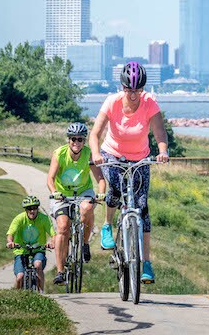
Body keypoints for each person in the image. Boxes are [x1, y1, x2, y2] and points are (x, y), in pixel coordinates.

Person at [90, 61, 169, 284]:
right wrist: (96, 154)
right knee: (114, 189)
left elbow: (160, 133)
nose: (133, 94)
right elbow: (94, 134)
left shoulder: (149, 103)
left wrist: (162, 151)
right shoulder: (112, 102)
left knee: (142, 208)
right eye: (128, 89)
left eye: (137, 89)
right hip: (112, 154)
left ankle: (146, 264)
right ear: (122, 87)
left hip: (140, 157)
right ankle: (107, 226)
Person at [47, 122, 107, 285]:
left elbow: (100, 178)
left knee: (87, 208)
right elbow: (50, 179)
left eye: (80, 139)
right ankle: (60, 271)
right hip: (62, 194)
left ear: (84, 141)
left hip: (83, 192)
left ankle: (85, 242)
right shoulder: (59, 153)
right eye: (73, 139)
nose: (76, 142)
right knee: (62, 227)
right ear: (69, 140)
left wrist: (101, 193)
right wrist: (54, 193)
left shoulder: (88, 154)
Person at [6, 196, 55, 291]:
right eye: (29, 208)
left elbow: (53, 234)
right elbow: (10, 233)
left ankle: (41, 293)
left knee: (38, 265)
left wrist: (52, 243)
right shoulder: (19, 219)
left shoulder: (44, 219)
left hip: (38, 250)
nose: (32, 211)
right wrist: (10, 242)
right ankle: (17, 296)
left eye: (34, 208)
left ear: (38, 208)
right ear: (25, 209)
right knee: (20, 276)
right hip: (21, 251)